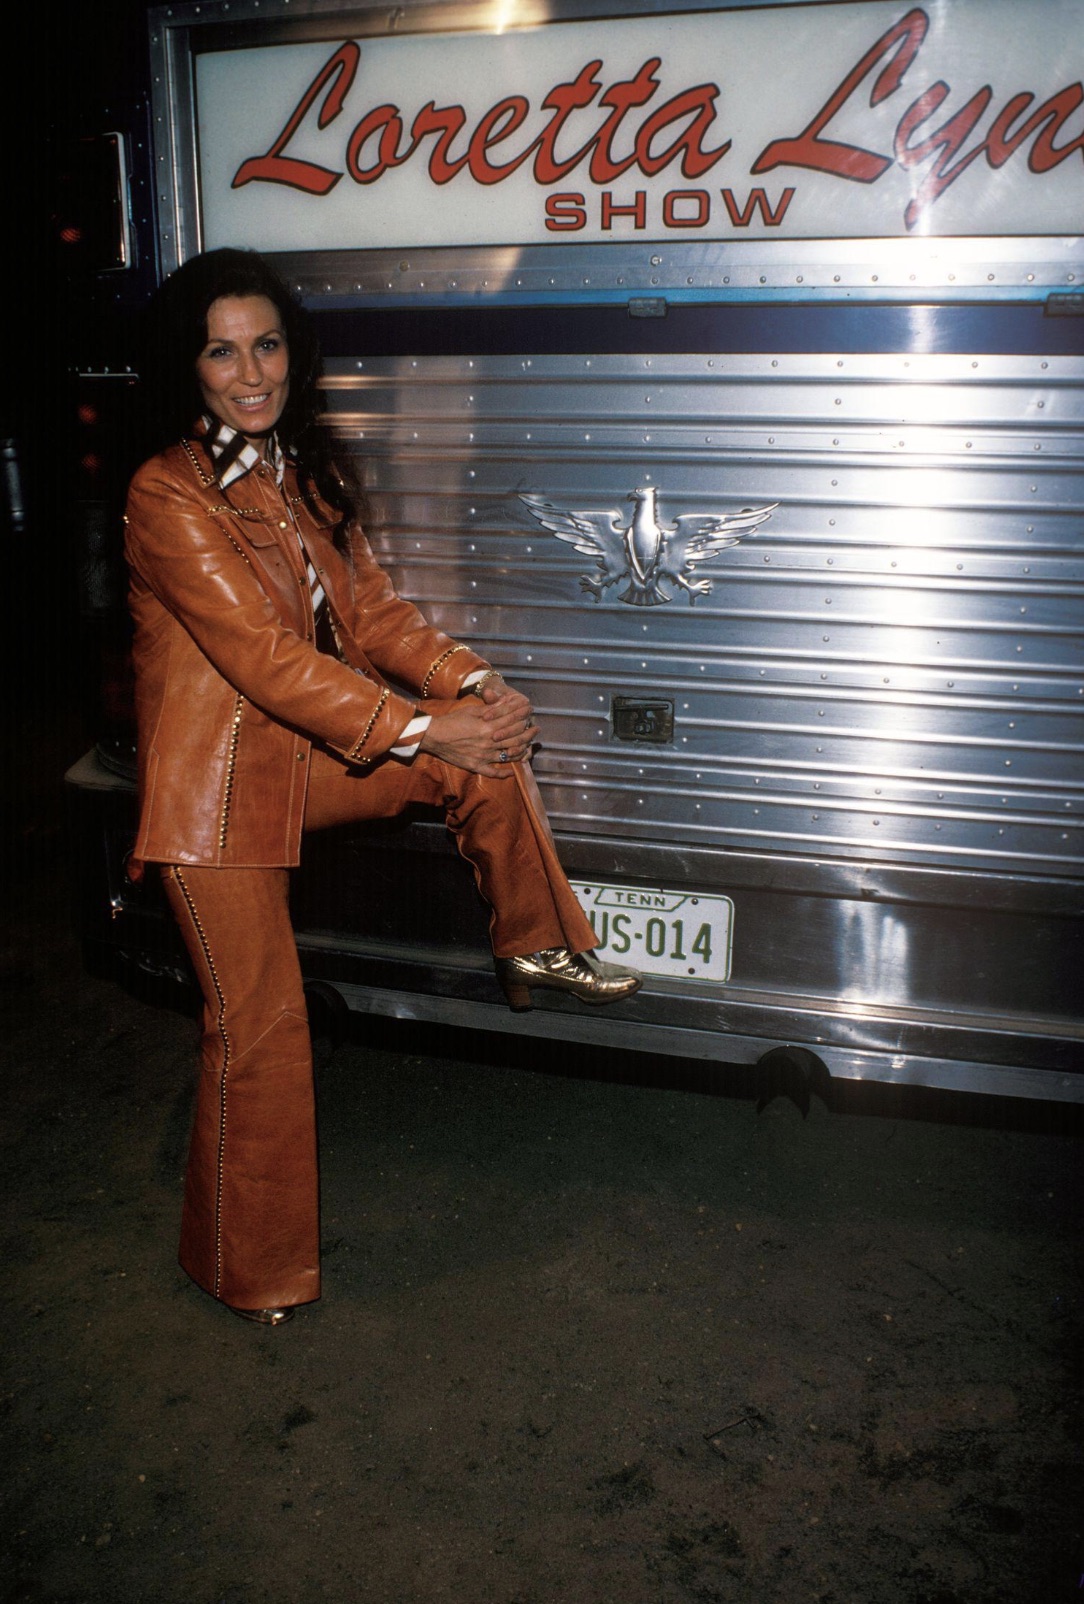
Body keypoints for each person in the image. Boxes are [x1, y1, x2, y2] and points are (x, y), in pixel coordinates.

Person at [123, 248, 640, 1326]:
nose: (250, 370)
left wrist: (474, 686)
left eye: (266, 344)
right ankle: (248, 1270)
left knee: (480, 749)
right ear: (189, 366)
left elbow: (375, 617)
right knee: (258, 1030)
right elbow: (266, 659)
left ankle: (535, 931)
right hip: (212, 799)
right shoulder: (166, 492)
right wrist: (414, 723)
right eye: (221, 350)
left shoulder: (294, 473)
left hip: (297, 762)